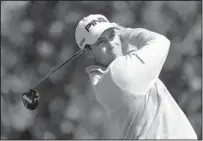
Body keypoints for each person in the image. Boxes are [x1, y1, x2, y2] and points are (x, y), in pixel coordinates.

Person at [75, 14, 197, 139]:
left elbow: (129, 54)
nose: (111, 44)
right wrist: (125, 32)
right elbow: (161, 42)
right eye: (101, 42)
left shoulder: (102, 78)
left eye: (112, 36)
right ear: (87, 51)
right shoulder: (119, 72)